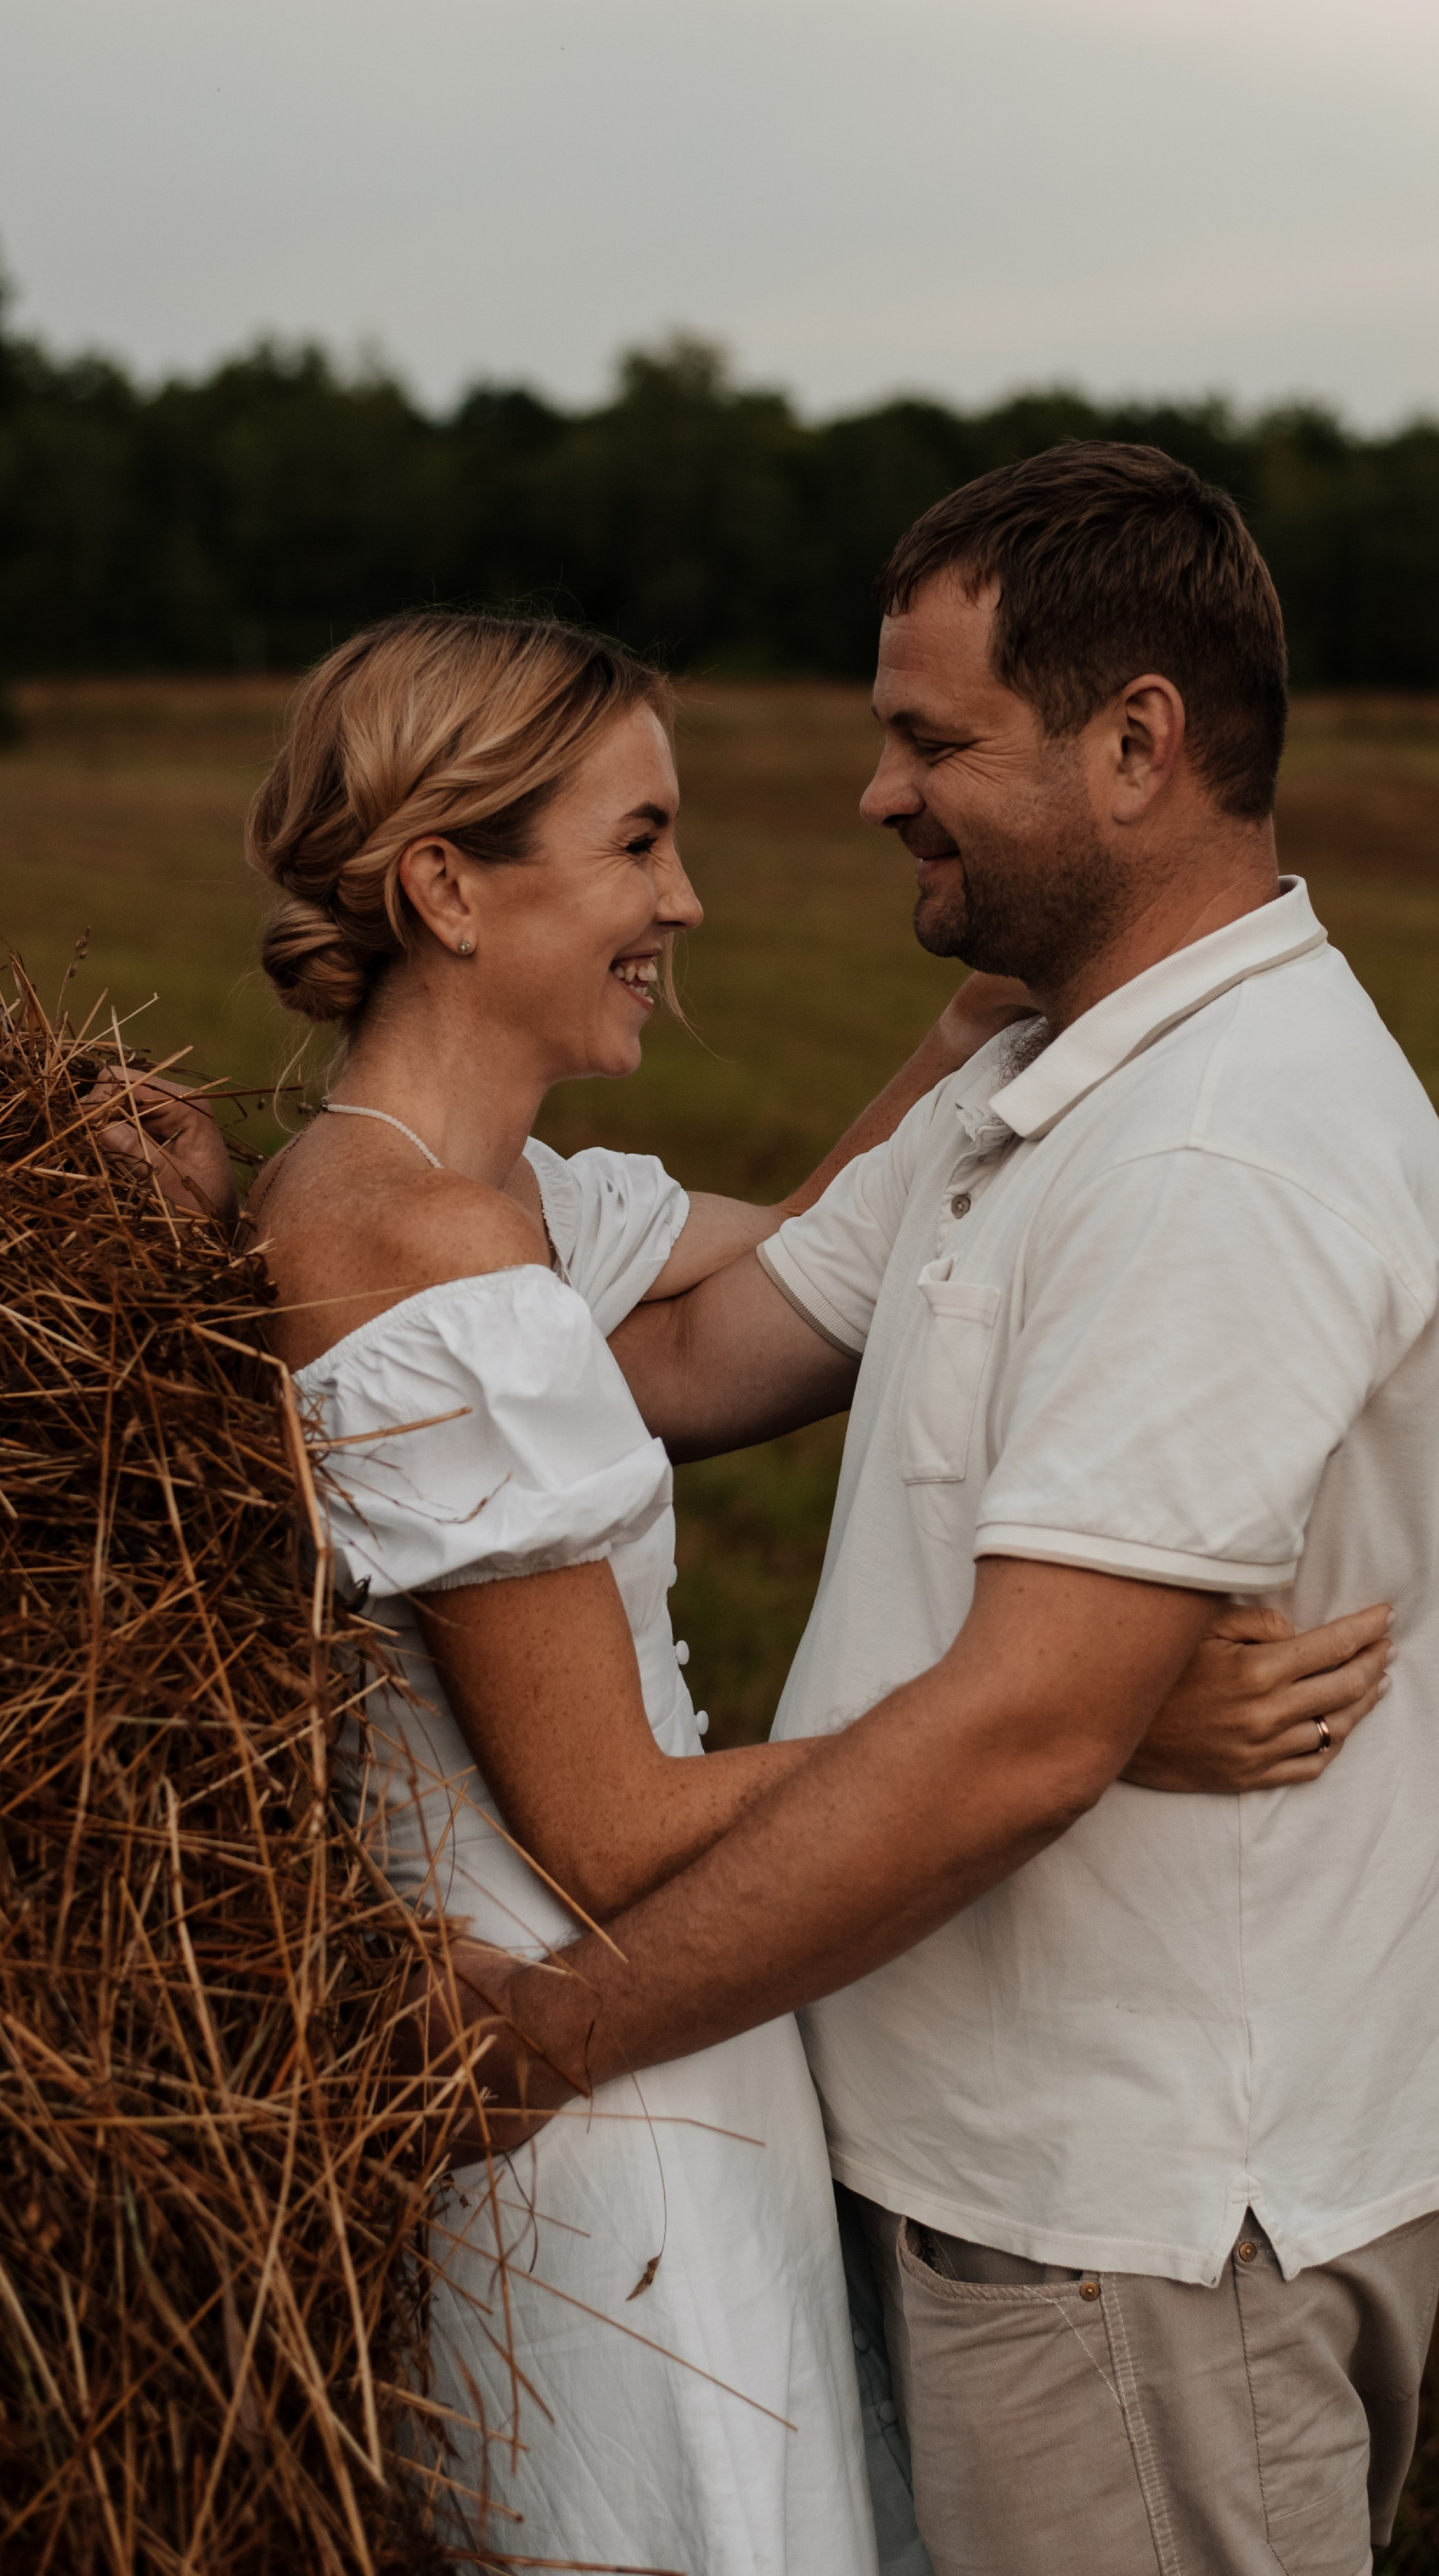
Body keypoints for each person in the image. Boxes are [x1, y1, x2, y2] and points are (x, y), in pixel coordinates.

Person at [106, 602, 1394, 2575]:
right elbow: (612, 1823)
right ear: (447, 883)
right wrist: (1092, 1714)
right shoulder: (425, 1256)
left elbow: (825, 1258)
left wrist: (973, 1031)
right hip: (589, 2083)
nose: (688, 900)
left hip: (658, 2052)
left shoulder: (496, 1213)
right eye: (637, 843)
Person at [418, 453, 1439, 2576]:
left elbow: (1024, 1737)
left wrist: (552, 2037)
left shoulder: (1218, 1152)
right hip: (987, 2169)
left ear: (1137, 743)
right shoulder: (1034, 1084)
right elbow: (700, 1367)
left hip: (1135, 2223)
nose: (878, 791)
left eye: (930, 738)